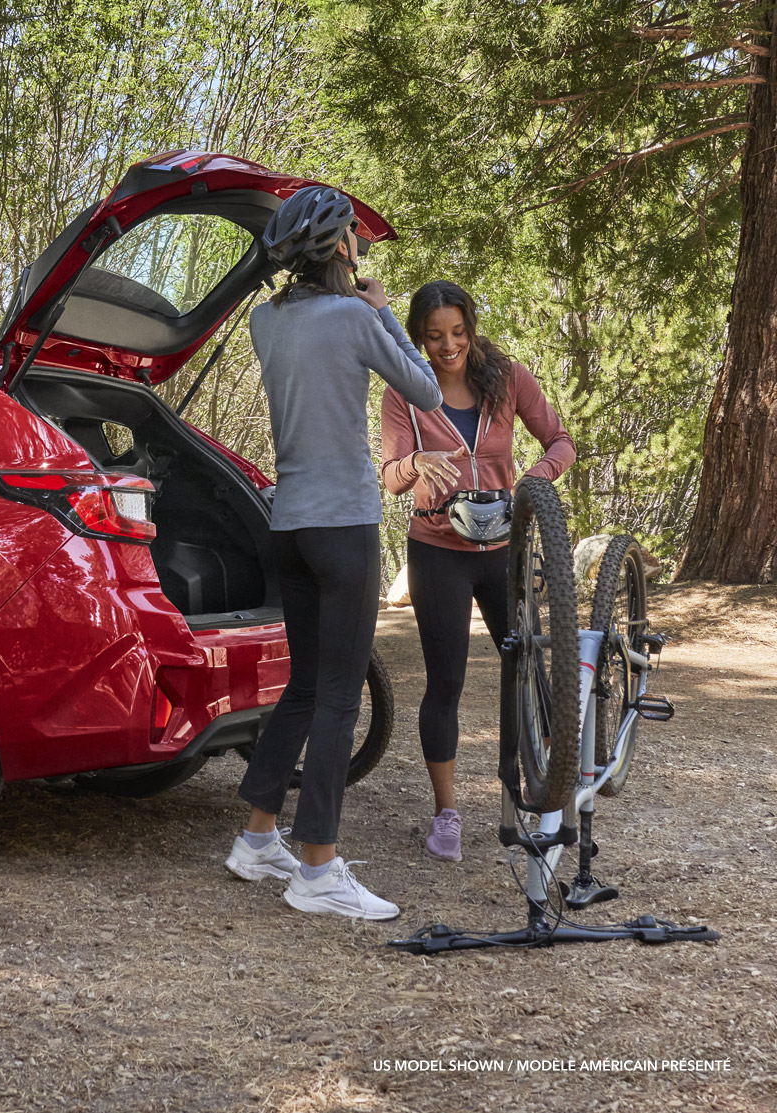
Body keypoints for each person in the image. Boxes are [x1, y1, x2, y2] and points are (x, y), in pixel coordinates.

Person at [223, 186, 442, 921]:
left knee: (306, 686)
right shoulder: (355, 316)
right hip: (344, 525)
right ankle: (316, 865)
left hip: (289, 524)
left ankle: (257, 839)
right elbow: (425, 388)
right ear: (341, 246)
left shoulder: (264, 322)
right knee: (339, 694)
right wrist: (382, 311)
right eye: (353, 234)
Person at [380, 279, 575, 862]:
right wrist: (415, 463)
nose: (448, 346)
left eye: (458, 332)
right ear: (418, 338)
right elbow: (389, 476)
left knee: (530, 672)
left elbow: (560, 441)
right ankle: (446, 815)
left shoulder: (508, 377)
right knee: (446, 684)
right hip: (437, 550)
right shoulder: (405, 392)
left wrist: (535, 478)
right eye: (435, 336)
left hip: (504, 553)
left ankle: (541, 798)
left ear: (471, 326)